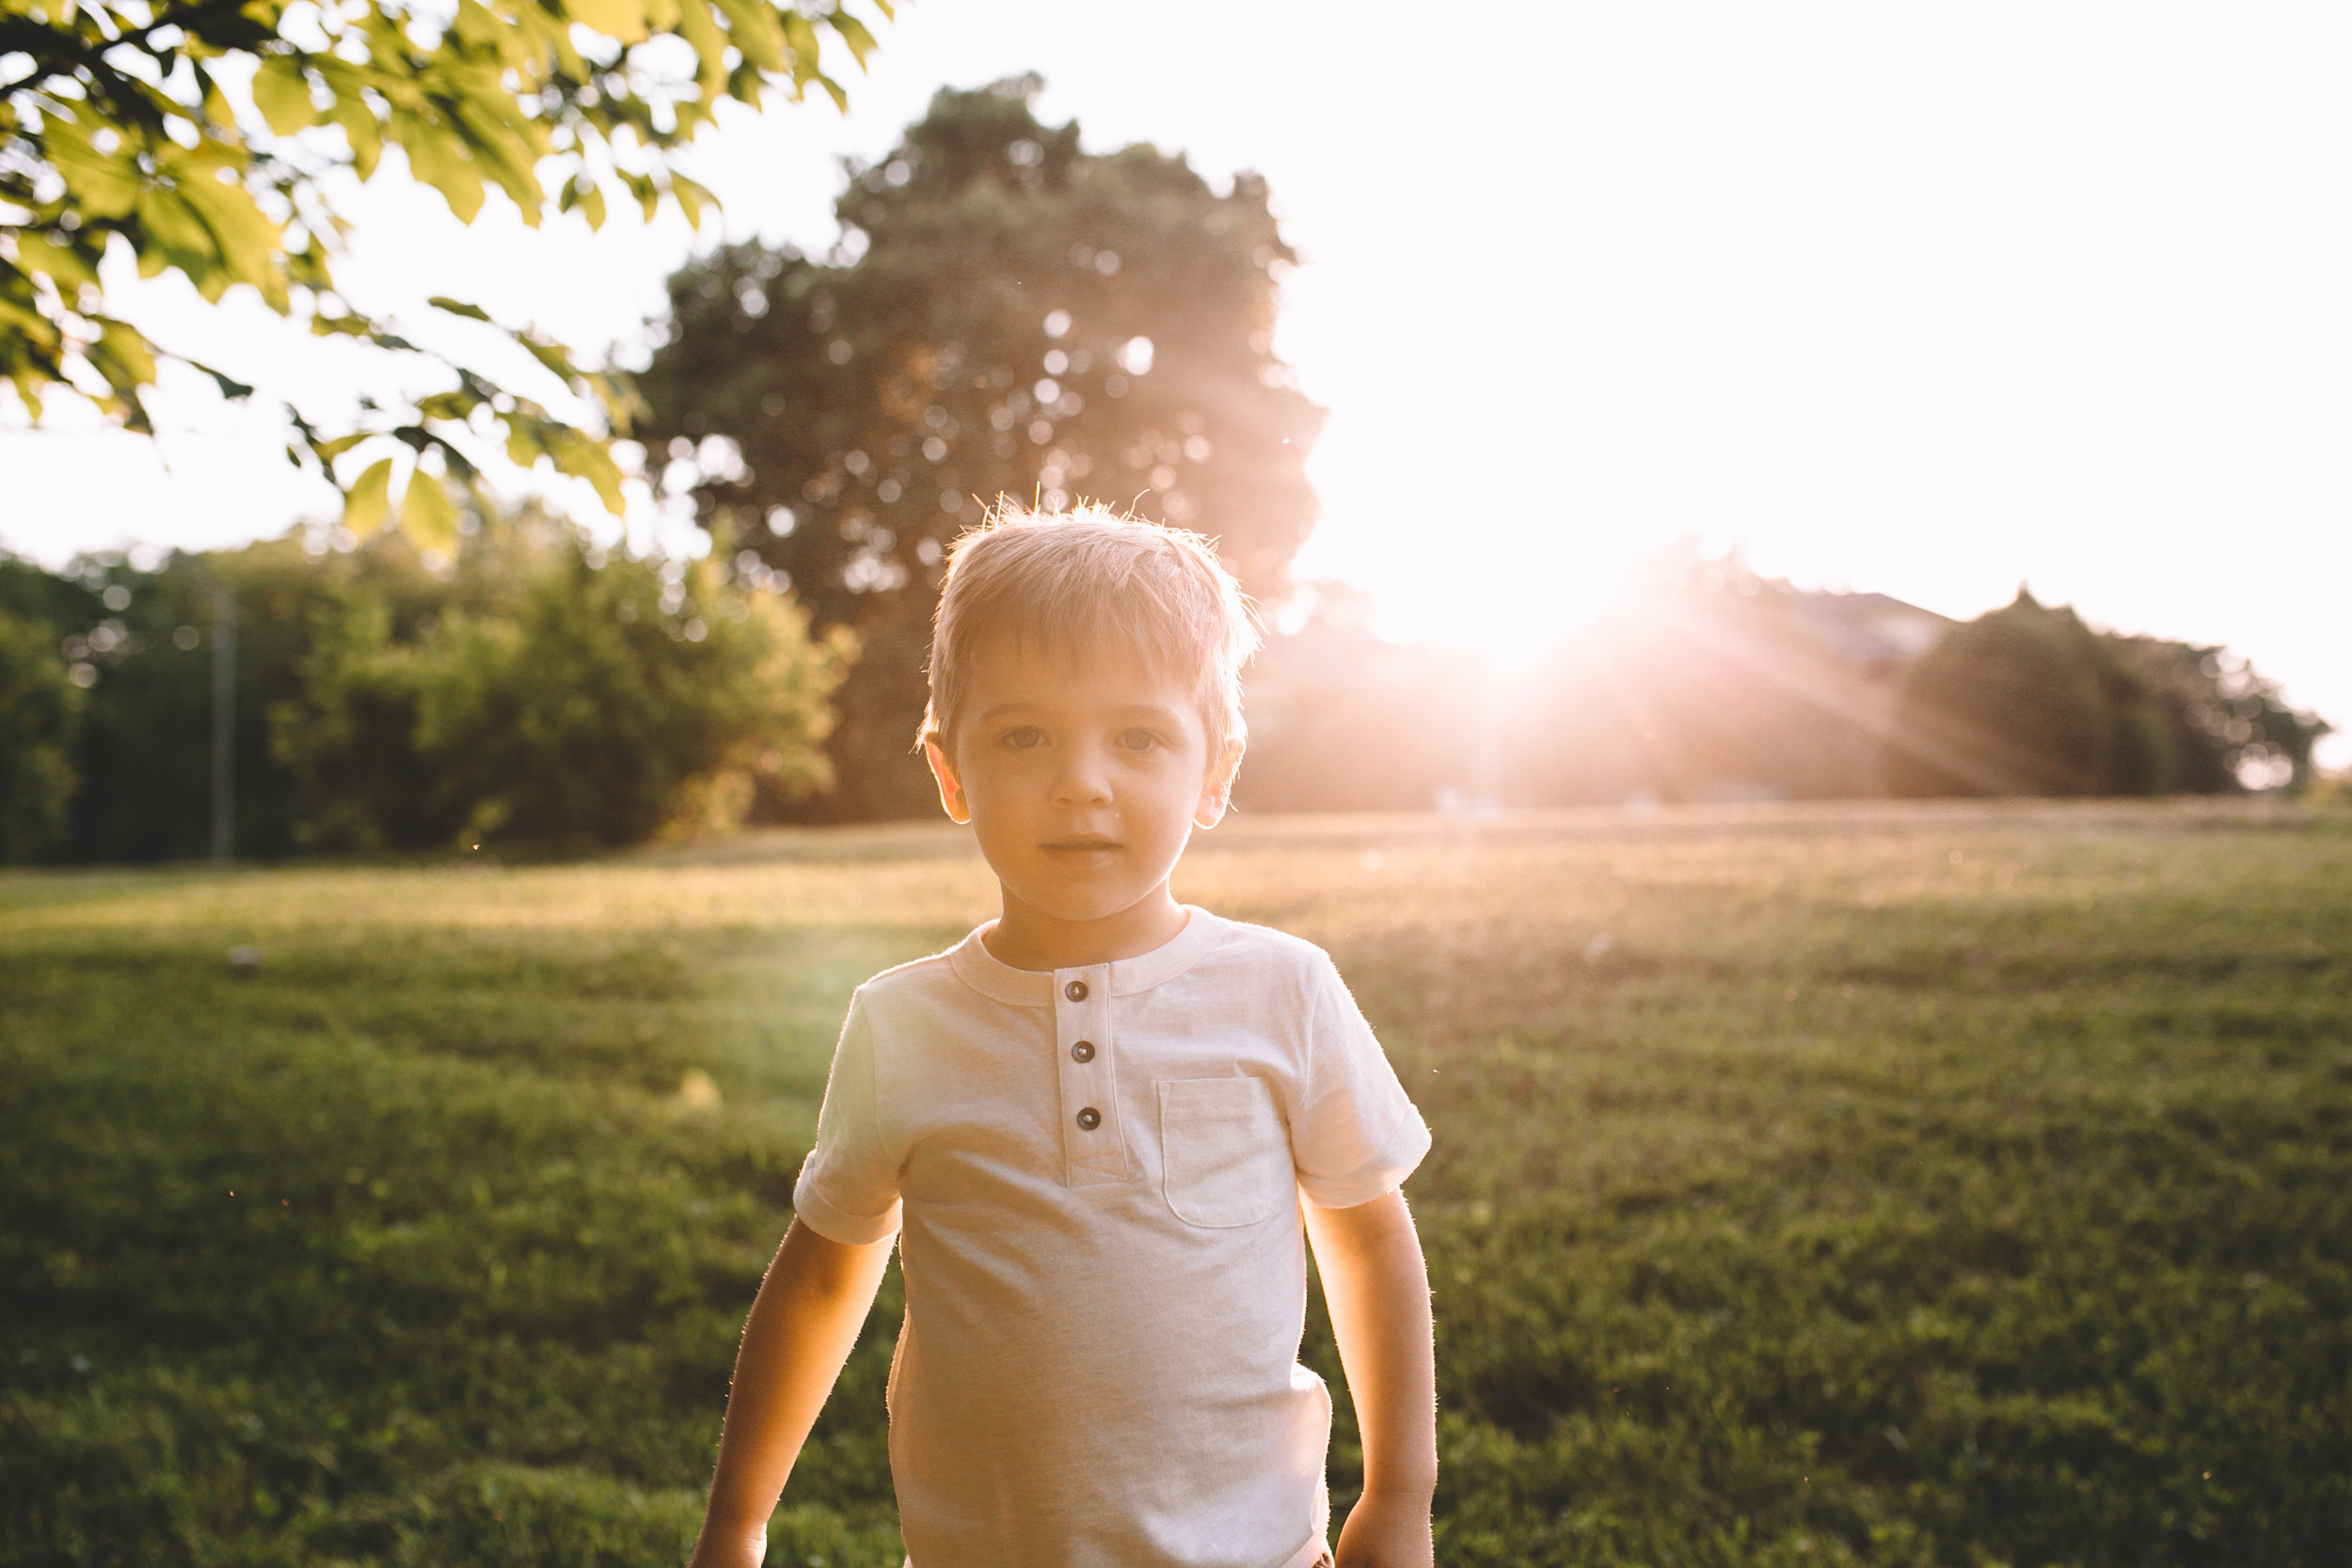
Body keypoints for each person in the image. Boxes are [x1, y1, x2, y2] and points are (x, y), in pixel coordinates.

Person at [687, 503, 1437, 1568]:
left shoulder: (1283, 989)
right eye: (1025, 734)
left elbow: (1366, 1238)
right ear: (951, 772)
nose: (1081, 777)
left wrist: (1399, 1496)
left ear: (1214, 770)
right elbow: (820, 1275)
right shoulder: (901, 1023)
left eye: (1138, 736)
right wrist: (734, 1526)